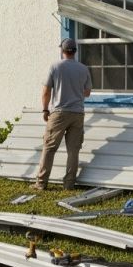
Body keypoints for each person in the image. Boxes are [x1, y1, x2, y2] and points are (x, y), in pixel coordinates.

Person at [32, 37, 92, 190]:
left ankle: (41, 183)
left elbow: (46, 91)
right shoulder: (83, 69)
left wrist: (45, 109)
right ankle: (69, 184)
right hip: (78, 114)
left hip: (59, 113)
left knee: (49, 148)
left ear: (62, 50)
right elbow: (87, 93)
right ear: (75, 51)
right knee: (73, 151)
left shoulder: (55, 66)